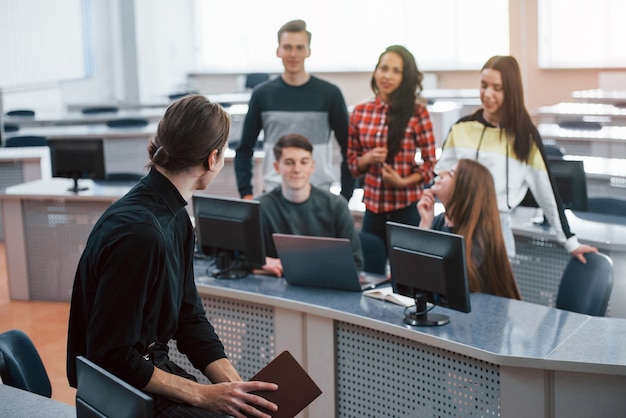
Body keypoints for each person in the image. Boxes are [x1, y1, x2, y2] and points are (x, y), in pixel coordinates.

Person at [66, 95, 278, 418]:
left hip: (143, 375)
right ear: (212, 159)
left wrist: (239, 391)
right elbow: (111, 357)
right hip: (119, 392)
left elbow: (189, 317)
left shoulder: (176, 216)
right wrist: (204, 395)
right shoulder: (140, 234)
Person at [436, 55, 597, 262]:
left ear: (511, 91)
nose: (487, 94)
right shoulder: (461, 128)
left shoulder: (525, 137)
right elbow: (440, 176)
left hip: (496, 231)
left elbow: (547, 194)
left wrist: (569, 241)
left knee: (493, 292)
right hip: (457, 226)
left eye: (497, 88)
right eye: (483, 86)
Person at [235, 19, 355, 201]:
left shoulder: (330, 94)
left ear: (308, 51)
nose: (293, 54)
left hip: (320, 195)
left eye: (299, 47)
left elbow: (349, 149)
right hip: (274, 195)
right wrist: (246, 194)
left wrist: (346, 195)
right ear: (278, 50)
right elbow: (244, 149)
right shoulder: (262, 94)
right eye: (287, 47)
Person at [347, 45, 436, 248]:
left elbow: (431, 164)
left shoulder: (417, 112)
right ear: (376, 71)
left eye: (396, 71)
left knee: (408, 273)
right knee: (371, 270)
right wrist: (367, 159)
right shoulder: (360, 112)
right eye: (383, 68)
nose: (387, 76)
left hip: (407, 207)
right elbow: (352, 164)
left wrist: (403, 182)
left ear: (406, 77)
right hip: (373, 209)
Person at [257, 133, 363, 278]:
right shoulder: (260, 207)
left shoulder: (336, 206)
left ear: (312, 166)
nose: (297, 169)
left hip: (326, 289)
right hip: (276, 289)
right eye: (289, 162)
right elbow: (238, 259)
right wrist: (259, 263)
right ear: (276, 167)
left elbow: (356, 263)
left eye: (304, 162)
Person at [418, 159, 521, 299]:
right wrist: (425, 223)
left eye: (451, 173)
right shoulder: (440, 222)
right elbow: (417, 277)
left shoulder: (477, 240)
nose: (441, 173)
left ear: (463, 189)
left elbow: (446, 288)